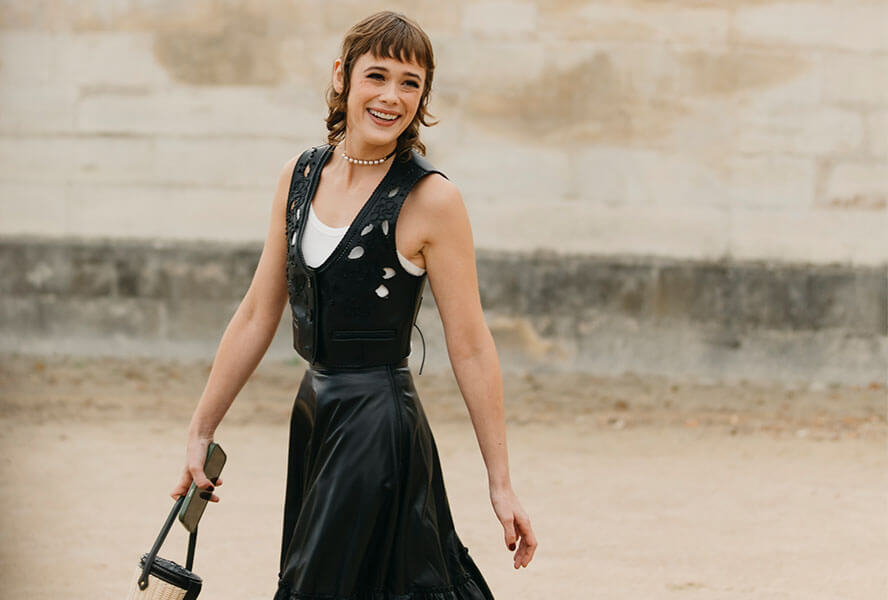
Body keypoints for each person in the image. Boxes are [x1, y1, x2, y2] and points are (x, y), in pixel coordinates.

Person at [170, 10, 537, 599]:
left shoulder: (433, 199)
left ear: (423, 96)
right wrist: (200, 430)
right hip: (315, 414)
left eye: (410, 83)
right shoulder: (299, 175)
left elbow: (470, 345)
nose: (392, 96)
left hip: (378, 424)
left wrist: (501, 482)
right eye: (377, 76)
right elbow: (258, 313)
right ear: (342, 75)